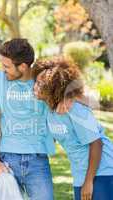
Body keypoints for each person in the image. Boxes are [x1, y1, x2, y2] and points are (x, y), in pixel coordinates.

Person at [32, 57, 113, 200]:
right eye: (36, 82)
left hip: (102, 171)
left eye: (40, 83)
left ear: (53, 86)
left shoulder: (74, 109)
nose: (35, 87)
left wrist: (88, 181)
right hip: (80, 173)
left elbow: (96, 143)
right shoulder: (50, 109)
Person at [0, 39, 55, 200]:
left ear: (23, 66)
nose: (3, 70)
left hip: (38, 159)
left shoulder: (43, 82)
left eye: (7, 66)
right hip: (7, 160)